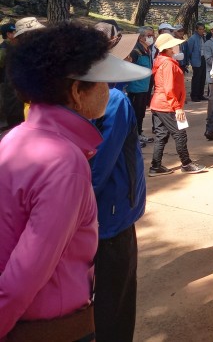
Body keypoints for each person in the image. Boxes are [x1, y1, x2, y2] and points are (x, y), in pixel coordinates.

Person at [0, 21, 149, 340]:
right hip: (50, 323)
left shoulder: (16, 138)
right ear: (77, 92)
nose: (108, 90)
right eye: (101, 83)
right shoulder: (65, 162)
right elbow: (26, 272)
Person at [90, 21, 148, 342]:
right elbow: (100, 165)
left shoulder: (98, 92)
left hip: (103, 211)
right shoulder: (114, 99)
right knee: (117, 296)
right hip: (112, 213)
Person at [149, 32, 206, 175]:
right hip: (167, 104)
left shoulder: (161, 60)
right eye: (174, 45)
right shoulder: (168, 63)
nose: (178, 46)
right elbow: (169, 88)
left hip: (159, 103)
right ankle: (186, 163)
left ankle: (155, 166)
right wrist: (177, 107)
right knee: (180, 134)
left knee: (161, 135)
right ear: (169, 48)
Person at [127, 27, 155, 146]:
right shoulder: (136, 52)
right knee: (135, 113)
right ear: (140, 37)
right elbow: (128, 67)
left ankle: (139, 132)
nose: (151, 38)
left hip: (145, 88)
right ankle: (133, 137)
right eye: (148, 35)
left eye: (152, 35)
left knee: (141, 113)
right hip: (135, 89)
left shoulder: (147, 50)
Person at [184, 22, 207, 102]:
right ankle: (194, 95)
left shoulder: (203, 37)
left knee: (202, 78)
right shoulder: (192, 38)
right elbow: (189, 51)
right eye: (200, 29)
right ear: (196, 30)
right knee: (196, 78)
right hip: (196, 60)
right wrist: (189, 61)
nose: (202, 31)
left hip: (203, 58)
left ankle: (200, 94)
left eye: (203, 29)